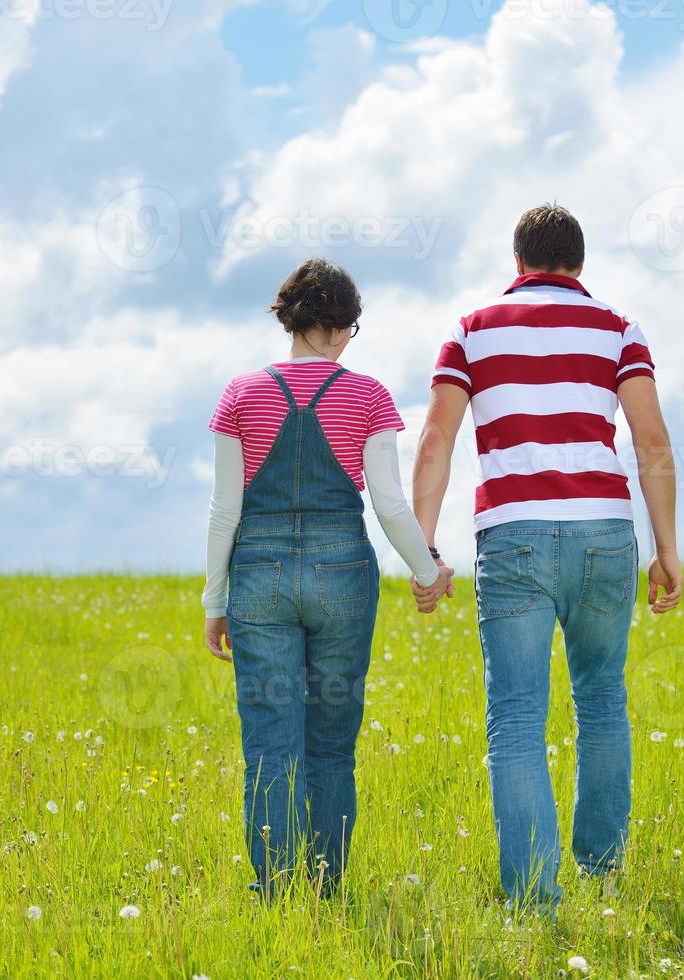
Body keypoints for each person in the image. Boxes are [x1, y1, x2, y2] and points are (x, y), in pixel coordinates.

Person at [410, 204, 683, 912]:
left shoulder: (469, 331)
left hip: (513, 537)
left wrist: (422, 548)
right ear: (578, 265)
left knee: (516, 716)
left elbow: (435, 441)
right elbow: (650, 439)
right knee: (601, 701)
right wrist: (665, 548)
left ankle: (534, 899)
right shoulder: (617, 328)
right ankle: (600, 871)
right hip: (603, 533)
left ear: (518, 262)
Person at [202, 258, 453, 898]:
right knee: (332, 745)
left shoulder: (241, 395)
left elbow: (225, 509)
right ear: (339, 327)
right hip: (343, 570)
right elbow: (390, 506)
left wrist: (215, 598)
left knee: (268, 746)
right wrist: (429, 571)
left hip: (257, 572)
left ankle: (275, 894)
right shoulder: (366, 395)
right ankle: (325, 888)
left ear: (291, 320)